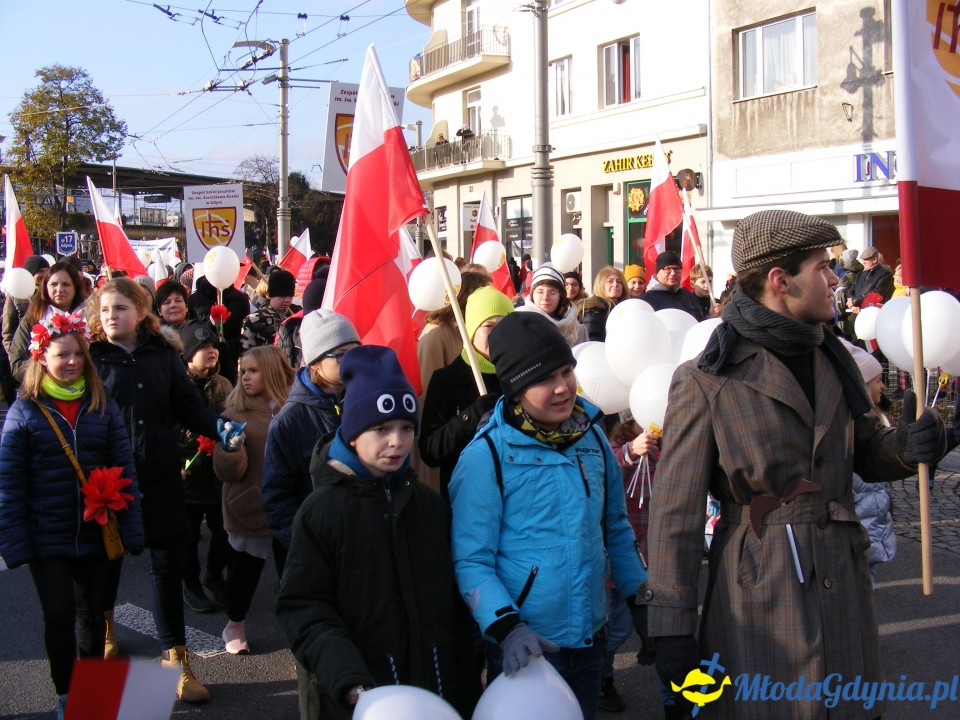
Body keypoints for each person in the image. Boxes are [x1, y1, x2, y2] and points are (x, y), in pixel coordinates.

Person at [640, 209, 947, 719]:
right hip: (759, 586)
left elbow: (865, 449)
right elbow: (676, 515)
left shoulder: (834, 356)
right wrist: (672, 628)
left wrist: (908, 447)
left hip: (842, 574)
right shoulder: (708, 378)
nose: (834, 279)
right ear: (780, 281)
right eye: (821, 268)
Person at [449, 312, 648, 720]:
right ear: (516, 389)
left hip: (592, 639)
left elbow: (614, 527)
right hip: (527, 646)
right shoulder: (486, 457)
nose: (562, 388)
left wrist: (639, 598)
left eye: (566, 371)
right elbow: (471, 559)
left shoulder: (591, 437)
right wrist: (507, 628)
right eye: (543, 379)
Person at [276, 345, 474, 720]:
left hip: (435, 691)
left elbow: (454, 600)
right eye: (381, 429)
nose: (397, 442)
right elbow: (304, 607)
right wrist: (346, 677)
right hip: (360, 698)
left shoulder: (429, 506)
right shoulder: (321, 513)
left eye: (405, 428)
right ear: (352, 433)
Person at [88, 278, 242, 704]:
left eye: (119, 308)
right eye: (104, 310)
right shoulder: (91, 356)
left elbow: (187, 408)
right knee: (108, 560)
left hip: (159, 475)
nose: (110, 316)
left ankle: (176, 661)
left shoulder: (163, 355)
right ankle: (105, 626)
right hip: (108, 480)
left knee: (165, 567)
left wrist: (219, 427)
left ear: (140, 312)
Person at [0, 312, 143, 719]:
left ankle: (92, 695)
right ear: (42, 359)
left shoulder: (102, 405)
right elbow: (9, 484)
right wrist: (15, 542)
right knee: (59, 615)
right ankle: (66, 695)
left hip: (97, 531)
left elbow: (124, 467)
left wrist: (132, 529)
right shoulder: (24, 412)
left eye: (78, 354)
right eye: (62, 355)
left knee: (93, 616)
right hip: (48, 534)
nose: (73, 362)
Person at [261, 309, 359, 570]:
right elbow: (277, 498)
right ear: (315, 362)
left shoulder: (364, 403)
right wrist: (305, 546)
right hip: (315, 551)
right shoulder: (289, 421)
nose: (352, 362)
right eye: (341, 355)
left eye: (356, 352)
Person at [214, 345, 295, 654]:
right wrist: (230, 449)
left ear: (272, 372)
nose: (245, 377)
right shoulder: (234, 414)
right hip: (250, 507)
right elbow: (227, 473)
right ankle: (234, 623)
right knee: (243, 575)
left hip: (288, 506)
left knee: (293, 572)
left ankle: (302, 631)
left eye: (253, 371)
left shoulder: (292, 407)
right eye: (242, 371)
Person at [419, 286, 512, 498]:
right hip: (465, 501)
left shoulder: (522, 376)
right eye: (489, 325)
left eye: (504, 325)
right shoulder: (448, 379)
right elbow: (431, 451)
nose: (498, 333)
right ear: (471, 331)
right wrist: (472, 415)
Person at [177, 320, 234, 614]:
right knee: (187, 534)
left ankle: (214, 576)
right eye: (203, 347)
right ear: (187, 354)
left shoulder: (223, 384)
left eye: (213, 346)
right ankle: (191, 585)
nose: (210, 352)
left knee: (222, 530)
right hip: (188, 472)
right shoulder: (176, 386)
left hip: (217, 472)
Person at [10, 261, 90, 381]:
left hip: (86, 390)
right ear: (45, 288)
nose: (59, 289)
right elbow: (17, 364)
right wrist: (50, 365)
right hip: (41, 391)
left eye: (66, 284)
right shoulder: (32, 319)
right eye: (54, 284)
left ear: (76, 287)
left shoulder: (92, 317)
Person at [518, 262, 587, 347]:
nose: (545, 297)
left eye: (552, 292)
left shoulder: (578, 330)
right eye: (540, 292)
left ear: (560, 296)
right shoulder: (519, 325)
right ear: (532, 294)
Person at [240, 269, 298, 353]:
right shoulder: (255, 319)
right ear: (271, 295)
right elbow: (245, 353)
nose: (287, 300)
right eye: (282, 295)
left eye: (290, 296)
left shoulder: (297, 315)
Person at [638, 251, 705, 320]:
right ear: (658, 272)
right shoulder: (646, 300)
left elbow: (699, 322)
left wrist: (710, 317)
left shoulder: (689, 297)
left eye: (676, 269)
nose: (673, 273)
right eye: (668, 269)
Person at [577, 265, 626, 341]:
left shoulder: (624, 308)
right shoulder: (594, 310)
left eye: (619, 281)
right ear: (601, 284)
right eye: (610, 281)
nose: (615, 284)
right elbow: (592, 340)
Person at [848, 245, 894, 310]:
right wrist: (853, 304)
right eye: (863, 260)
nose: (863, 262)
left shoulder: (885, 274)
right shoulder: (860, 274)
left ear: (874, 260)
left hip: (874, 311)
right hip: (857, 310)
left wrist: (854, 301)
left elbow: (876, 293)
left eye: (866, 260)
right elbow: (851, 290)